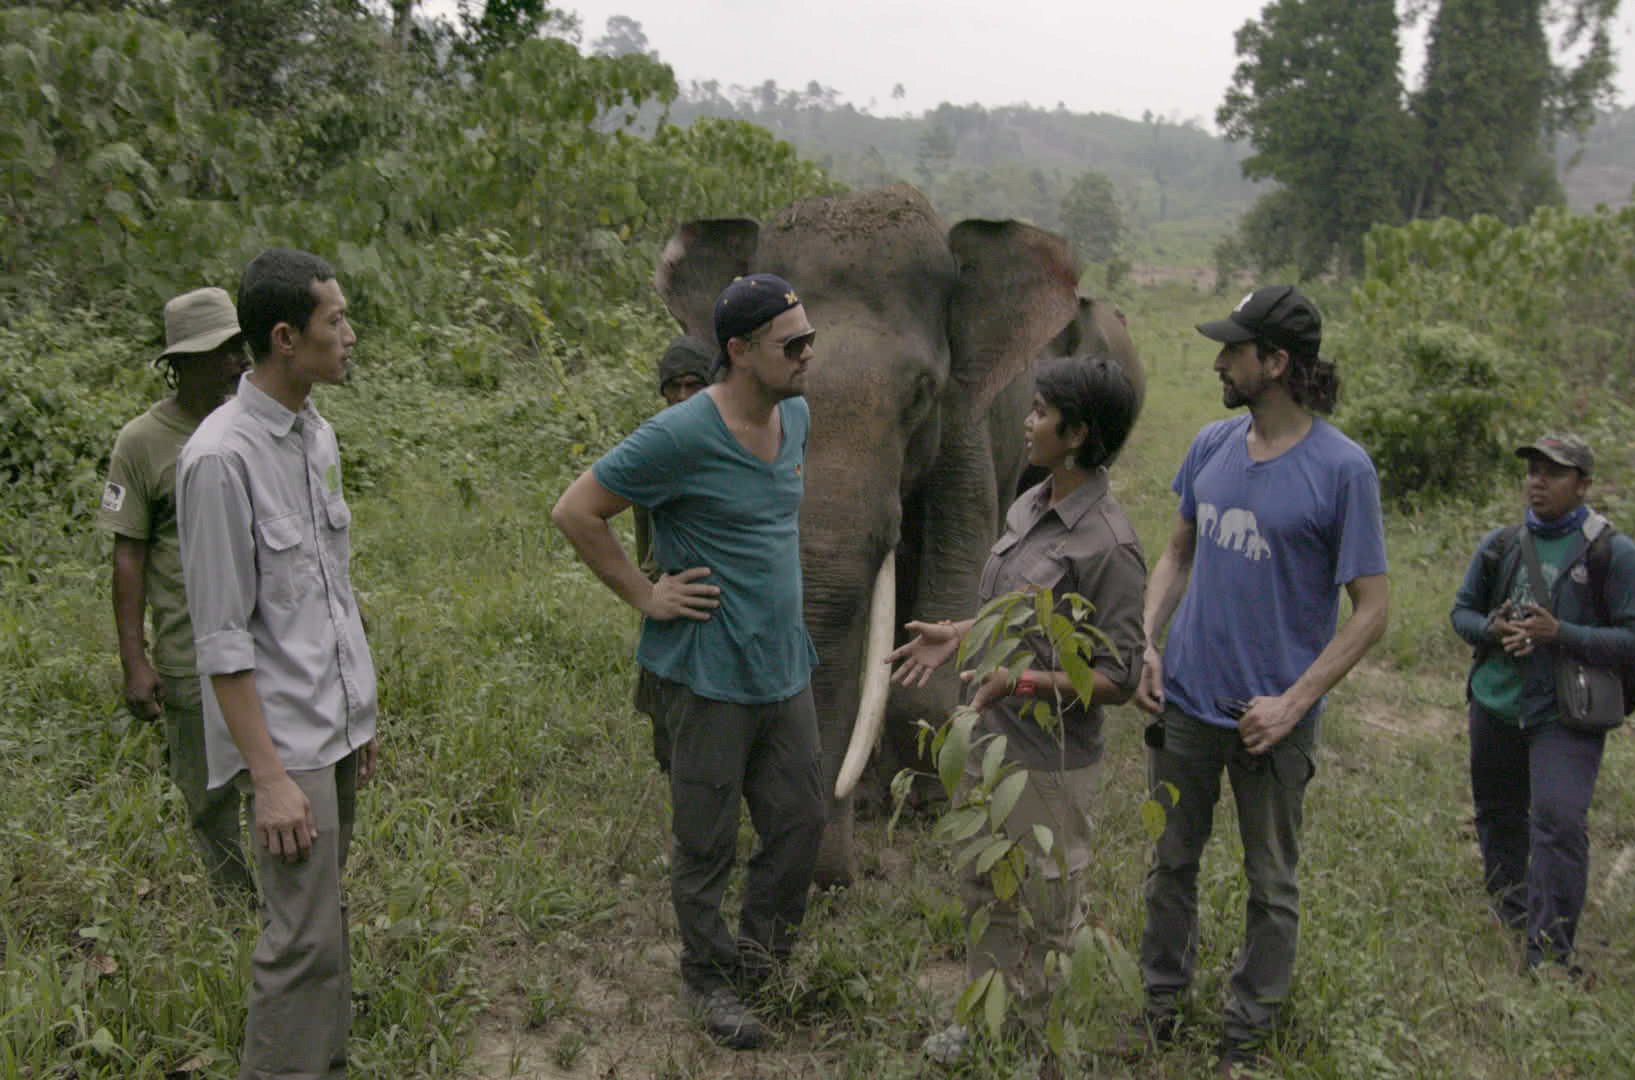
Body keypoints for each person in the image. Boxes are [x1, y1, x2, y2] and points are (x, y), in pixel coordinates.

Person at [551, 274, 826, 1051]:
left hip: (785, 667)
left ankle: (763, 965)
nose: (809, 355)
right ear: (738, 352)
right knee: (705, 841)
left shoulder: (796, 417)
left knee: (801, 821)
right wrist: (646, 594)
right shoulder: (679, 433)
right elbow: (576, 510)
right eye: (792, 345)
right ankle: (709, 979)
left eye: (810, 340)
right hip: (707, 674)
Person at [1130, 285, 1389, 1076]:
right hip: (1188, 704)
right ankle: (1159, 1007)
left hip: (1268, 719)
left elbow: (1372, 609)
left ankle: (1247, 1030)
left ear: (1276, 363)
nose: (1219, 360)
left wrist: (1294, 703)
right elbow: (1177, 550)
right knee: (1171, 861)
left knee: (1271, 882)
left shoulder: (1342, 470)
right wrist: (1147, 641)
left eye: (1234, 350)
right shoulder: (1211, 444)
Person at [887, 353, 1147, 1064]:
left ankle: (1038, 1044)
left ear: (1078, 433)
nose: (1027, 423)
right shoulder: (1031, 505)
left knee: (1045, 906)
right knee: (984, 885)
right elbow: (1021, 618)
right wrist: (960, 634)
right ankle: (985, 1023)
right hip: (993, 742)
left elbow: (1118, 678)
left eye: (1039, 412)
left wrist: (1023, 683)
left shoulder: (1110, 545)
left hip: (1050, 763)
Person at [178, 249, 378, 1080]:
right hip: (284, 746)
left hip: (330, 728)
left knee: (324, 920)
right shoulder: (220, 460)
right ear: (286, 337)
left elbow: (327, 590)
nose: (350, 336)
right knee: (297, 939)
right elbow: (222, 638)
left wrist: (358, 716)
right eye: (336, 321)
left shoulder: (315, 433)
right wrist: (267, 777)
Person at [1448, 433, 1635, 977]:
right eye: (1533, 470)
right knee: (1498, 817)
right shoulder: (1503, 543)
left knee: (1559, 824)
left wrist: (1560, 633)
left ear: (1583, 484)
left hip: (1567, 712)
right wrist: (1495, 630)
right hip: (1495, 702)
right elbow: (1462, 613)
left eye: (1554, 473)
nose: (1537, 482)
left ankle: (1550, 955)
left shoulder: (1614, 553)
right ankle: (1512, 918)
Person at [96, 286, 253, 895]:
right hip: (189, 653)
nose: (234, 364)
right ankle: (235, 903)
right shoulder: (142, 443)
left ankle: (286, 910)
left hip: (261, 638)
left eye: (238, 348)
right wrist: (135, 660)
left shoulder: (255, 424)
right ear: (179, 364)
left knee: (278, 780)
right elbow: (128, 554)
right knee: (208, 794)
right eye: (218, 353)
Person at [633, 335, 716, 774]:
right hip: (671, 587)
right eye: (674, 387)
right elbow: (642, 529)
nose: (683, 397)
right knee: (667, 703)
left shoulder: (734, 436)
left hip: (721, 588)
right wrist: (648, 590)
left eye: (694, 385)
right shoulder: (654, 444)